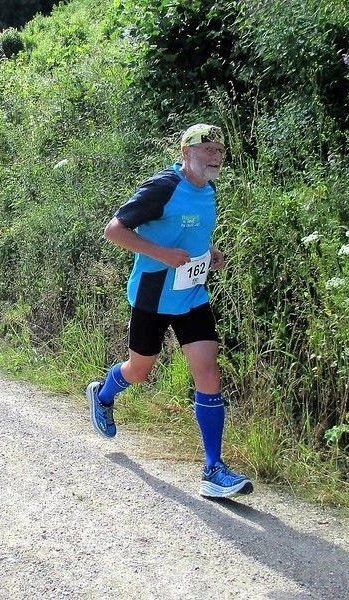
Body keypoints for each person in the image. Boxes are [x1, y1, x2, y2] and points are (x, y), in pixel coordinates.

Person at [86, 124, 253, 499]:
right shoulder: (163, 187)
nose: (215, 157)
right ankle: (103, 394)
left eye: (219, 151)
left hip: (191, 295)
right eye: (206, 149)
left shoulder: (208, 190)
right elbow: (114, 230)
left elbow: (192, 238)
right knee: (140, 371)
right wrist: (161, 255)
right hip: (153, 296)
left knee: (208, 372)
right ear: (185, 152)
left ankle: (213, 468)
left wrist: (210, 256)